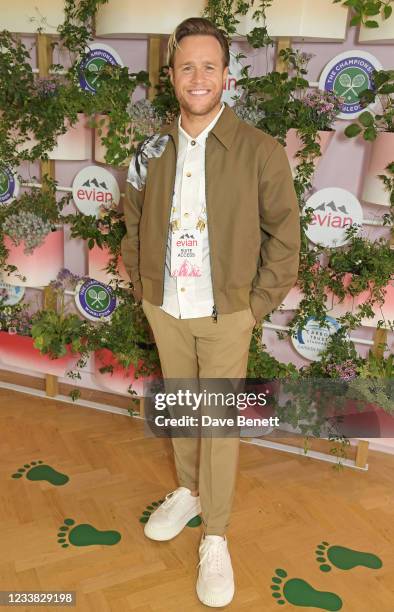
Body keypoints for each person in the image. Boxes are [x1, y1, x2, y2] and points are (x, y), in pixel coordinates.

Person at [121, 16, 301, 608]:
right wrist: (143, 283)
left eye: (209, 66)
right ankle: (189, 491)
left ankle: (216, 535)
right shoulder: (150, 150)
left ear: (226, 76)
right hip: (165, 305)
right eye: (186, 66)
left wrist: (255, 307)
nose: (197, 77)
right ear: (171, 76)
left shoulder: (260, 151)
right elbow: (132, 221)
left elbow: (285, 237)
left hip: (228, 312)